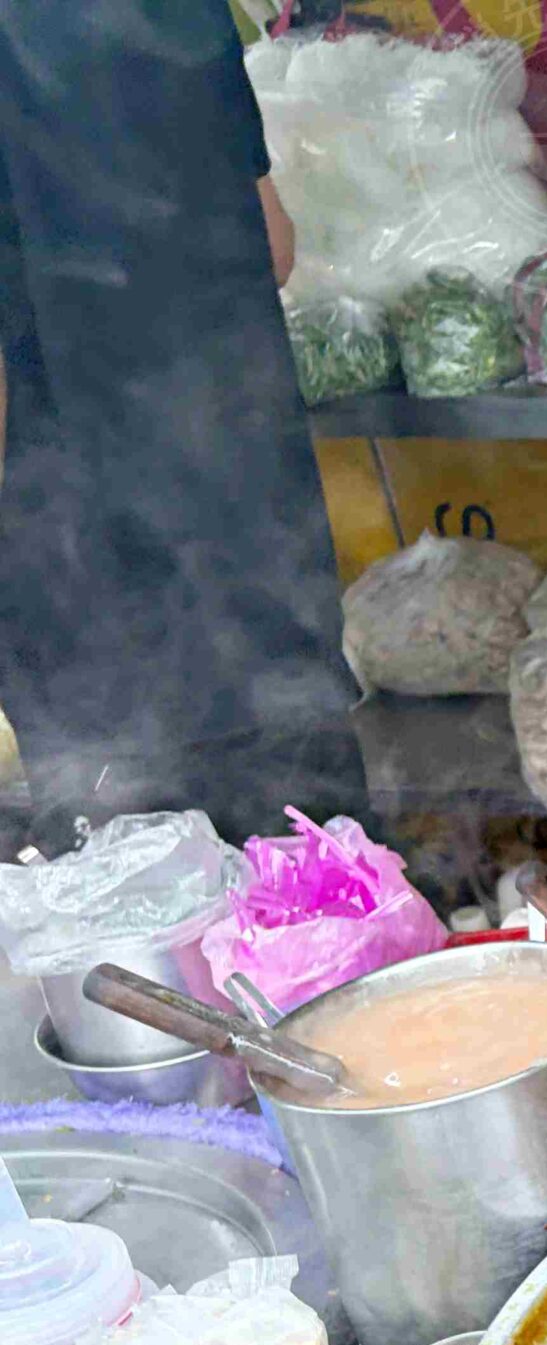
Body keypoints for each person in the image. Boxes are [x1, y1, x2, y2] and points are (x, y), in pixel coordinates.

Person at [0, 0, 365, 850]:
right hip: (258, 564)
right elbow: (274, 245)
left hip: (87, 611)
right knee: (315, 892)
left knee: (155, 925)